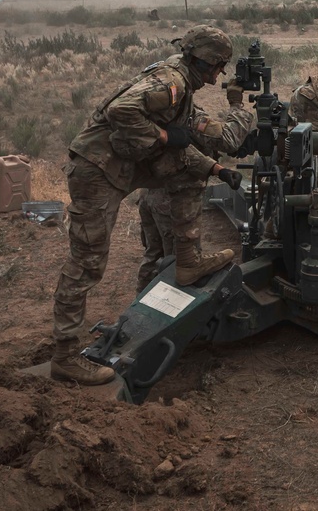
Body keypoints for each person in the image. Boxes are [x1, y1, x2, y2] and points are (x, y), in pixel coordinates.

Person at [51, 26, 245, 385]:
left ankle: (187, 262)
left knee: (187, 169)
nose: (220, 75)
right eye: (219, 66)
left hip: (125, 163)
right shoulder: (173, 80)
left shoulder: (180, 84)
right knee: (87, 262)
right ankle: (64, 356)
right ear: (203, 61)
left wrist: (215, 168)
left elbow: (184, 146)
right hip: (97, 169)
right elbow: (122, 111)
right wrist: (164, 135)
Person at [136, 87, 255, 292]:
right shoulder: (190, 117)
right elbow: (228, 139)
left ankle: (140, 304)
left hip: (150, 193)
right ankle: (169, 312)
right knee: (179, 262)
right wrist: (236, 105)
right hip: (173, 199)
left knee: (154, 255)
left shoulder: (156, 115)